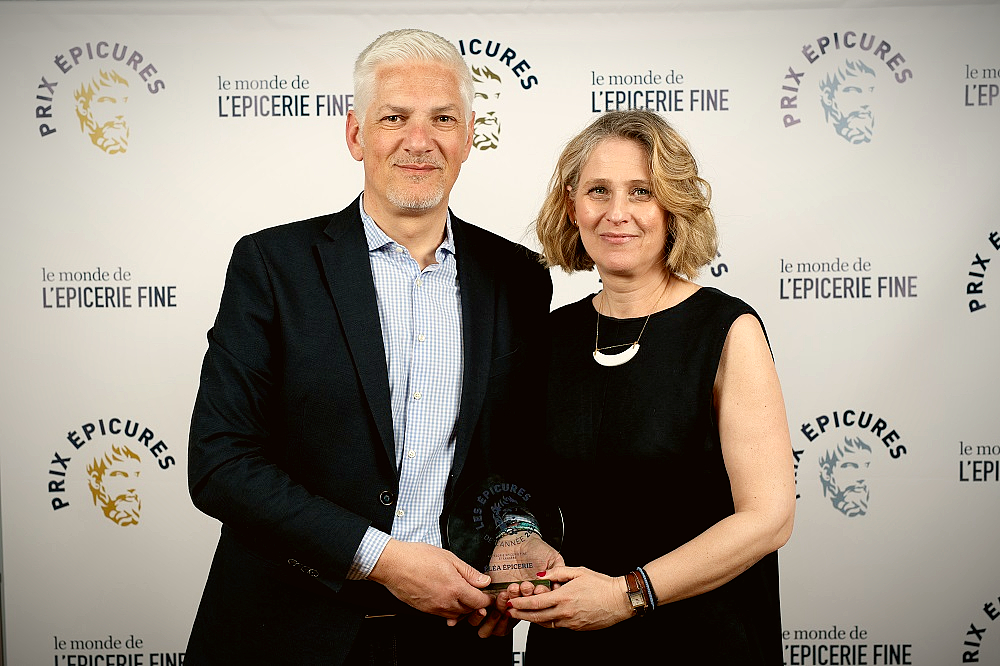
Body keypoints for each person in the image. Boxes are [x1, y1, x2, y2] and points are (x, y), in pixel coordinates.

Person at [185, 28, 552, 666]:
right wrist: (383, 559)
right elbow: (220, 463)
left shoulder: (517, 278)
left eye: (443, 118)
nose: (420, 139)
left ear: (468, 136)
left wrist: (511, 544)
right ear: (356, 134)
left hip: (454, 636)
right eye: (394, 117)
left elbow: (517, 456)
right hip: (287, 634)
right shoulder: (273, 266)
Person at [503, 109, 796, 664]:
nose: (617, 214)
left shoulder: (727, 329)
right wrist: (524, 545)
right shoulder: (548, 336)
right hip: (572, 642)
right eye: (598, 191)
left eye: (641, 191)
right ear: (572, 205)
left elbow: (769, 516)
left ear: (673, 206)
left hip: (702, 642)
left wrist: (625, 595)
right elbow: (522, 488)